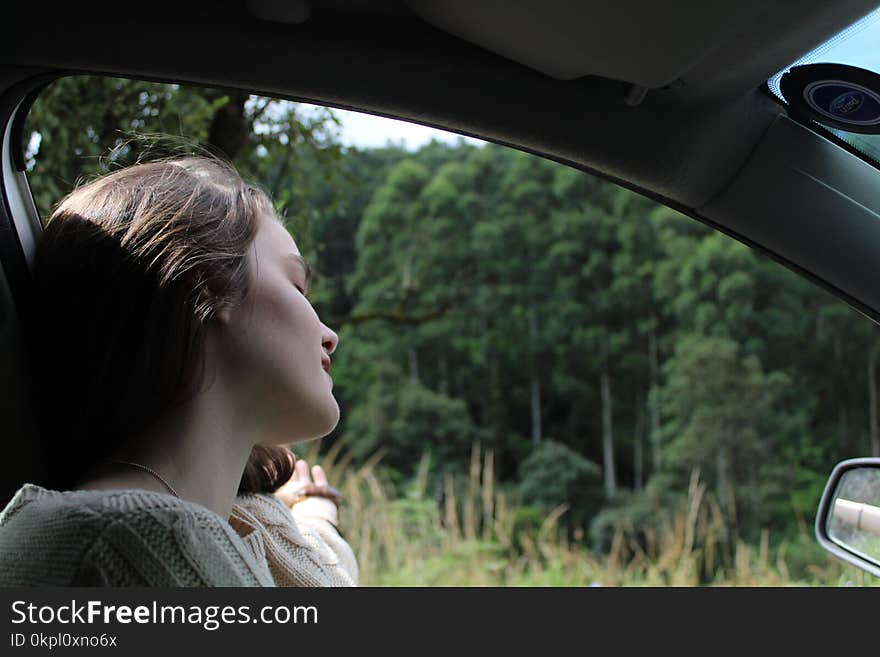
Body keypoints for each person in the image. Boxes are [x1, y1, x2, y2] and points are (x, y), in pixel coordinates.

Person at [0, 155, 358, 586]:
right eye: (297, 285)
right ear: (203, 284)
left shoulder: (166, 530)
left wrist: (315, 513)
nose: (329, 334)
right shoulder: (139, 542)